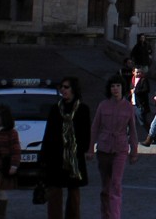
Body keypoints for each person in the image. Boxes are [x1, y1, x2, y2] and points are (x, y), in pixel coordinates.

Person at [86, 75, 139, 219]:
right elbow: (95, 128)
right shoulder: (103, 105)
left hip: (120, 149)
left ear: (122, 88)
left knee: (116, 184)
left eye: (118, 86)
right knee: (105, 187)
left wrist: (134, 151)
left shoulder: (128, 107)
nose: (115, 89)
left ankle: (115, 216)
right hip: (103, 149)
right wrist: (90, 149)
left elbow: (133, 131)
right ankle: (105, 215)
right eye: (112, 86)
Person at [39, 77, 90, 219]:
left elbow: (86, 134)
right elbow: (49, 134)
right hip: (55, 157)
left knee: (74, 194)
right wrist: (44, 156)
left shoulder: (82, 109)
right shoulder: (55, 109)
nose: (63, 90)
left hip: (74, 158)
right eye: (61, 87)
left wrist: (78, 151)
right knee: (54, 192)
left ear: (73, 89)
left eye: (66, 87)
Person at [0, 105, 21, 219]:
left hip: (2, 167)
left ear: (4, 119)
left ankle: (1, 214)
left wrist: (14, 165)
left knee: (1, 191)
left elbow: (16, 150)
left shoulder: (11, 133)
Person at [129, 68, 151, 138]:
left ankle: (152, 135)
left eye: (140, 72)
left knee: (142, 122)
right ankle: (128, 137)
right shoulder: (132, 80)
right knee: (129, 121)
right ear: (133, 72)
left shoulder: (143, 80)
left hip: (140, 104)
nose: (138, 74)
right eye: (137, 72)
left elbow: (146, 90)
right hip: (132, 103)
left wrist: (136, 91)